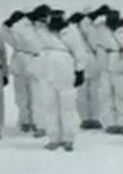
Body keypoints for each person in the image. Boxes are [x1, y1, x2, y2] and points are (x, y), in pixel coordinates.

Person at [37, 9, 89, 151]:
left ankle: (68, 138)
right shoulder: (42, 31)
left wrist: (80, 71)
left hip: (65, 71)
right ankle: (53, 138)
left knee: (67, 107)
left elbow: (79, 52)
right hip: (46, 71)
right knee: (49, 106)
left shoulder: (71, 32)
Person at [0, 6, 51, 137]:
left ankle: (39, 123)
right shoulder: (20, 24)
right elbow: (4, 35)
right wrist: (7, 23)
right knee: (21, 95)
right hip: (20, 59)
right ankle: (24, 121)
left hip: (36, 59)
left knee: (37, 95)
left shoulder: (45, 27)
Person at [93, 9, 123, 135]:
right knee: (106, 95)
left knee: (120, 95)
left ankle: (122, 123)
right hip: (104, 64)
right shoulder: (100, 29)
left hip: (119, 64)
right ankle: (109, 123)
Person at [72, 11, 103, 130]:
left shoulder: (72, 30)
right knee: (93, 92)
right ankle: (93, 117)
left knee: (83, 92)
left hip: (82, 60)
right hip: (92, 59)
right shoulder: (92, 29)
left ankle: (85, 118)